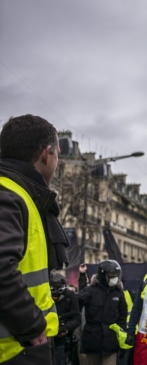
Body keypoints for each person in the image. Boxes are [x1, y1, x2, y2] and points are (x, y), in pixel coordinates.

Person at [0, 114, 63, 364]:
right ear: (46, 154)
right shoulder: (10, 195)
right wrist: (34, 330)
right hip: (16, 350)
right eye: (57, 155)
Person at [78, 261, 128, 365]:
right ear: (103, 274)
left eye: (116, 275)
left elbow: (122, 318)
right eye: (111, 275)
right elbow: (76, 307)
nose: (114, 277)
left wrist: (123, 340)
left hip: (111, 341)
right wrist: (80, 299)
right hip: (92, 340)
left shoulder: (118, 294)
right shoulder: (90, 291)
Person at [51, 271, 82, 365]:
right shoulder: (44, 294)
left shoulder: (69, 295)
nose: (56, 293)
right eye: (53, 289)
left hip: (61, 339)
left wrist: (66, 328)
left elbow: (77, 317)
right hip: (44, 338)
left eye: (60, 289)